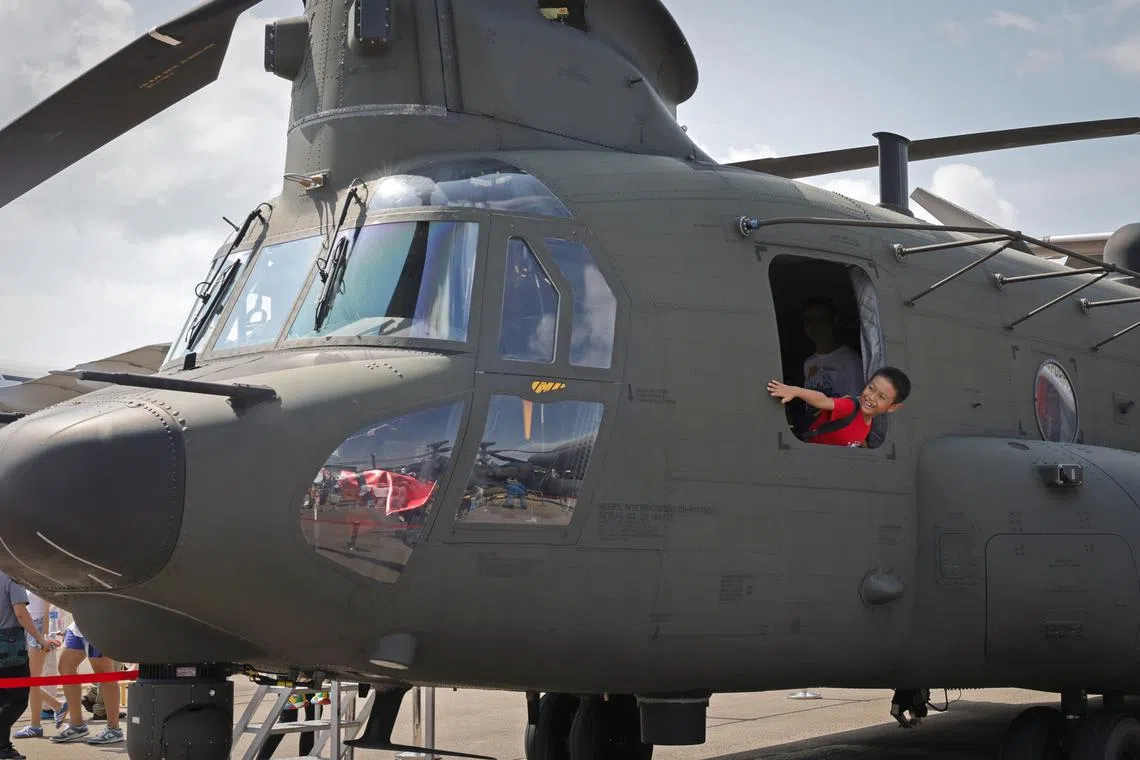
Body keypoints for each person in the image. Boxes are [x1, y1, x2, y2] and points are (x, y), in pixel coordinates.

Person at [768, 367, 911, 448]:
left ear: (892, 407)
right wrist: (795, 391)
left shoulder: (869, 421)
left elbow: (855, 434)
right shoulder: (849, 407)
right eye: (871, 388)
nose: (871, 397)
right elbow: (823, 400)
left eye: (881, 397)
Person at [0, 572, 60, 760]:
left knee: (2, 700)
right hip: (9, 646)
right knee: (17, 698)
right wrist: (40, 638)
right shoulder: (11, 576)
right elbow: (20, 613)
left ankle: (3, 748)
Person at [50, 621, 122, 745]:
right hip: (78, 624)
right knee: (65, 668)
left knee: (104, 673)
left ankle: (114, 729)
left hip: (99, 624)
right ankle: (77, 725)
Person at [11, 591, 62, 739]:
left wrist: (45, 636)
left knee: (31, 680)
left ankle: (37, 724)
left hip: (39, 627)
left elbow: (47, 608)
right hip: (30, 626)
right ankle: (56, 707)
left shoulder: (38, 579)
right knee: (30, 680)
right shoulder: (23, 580)